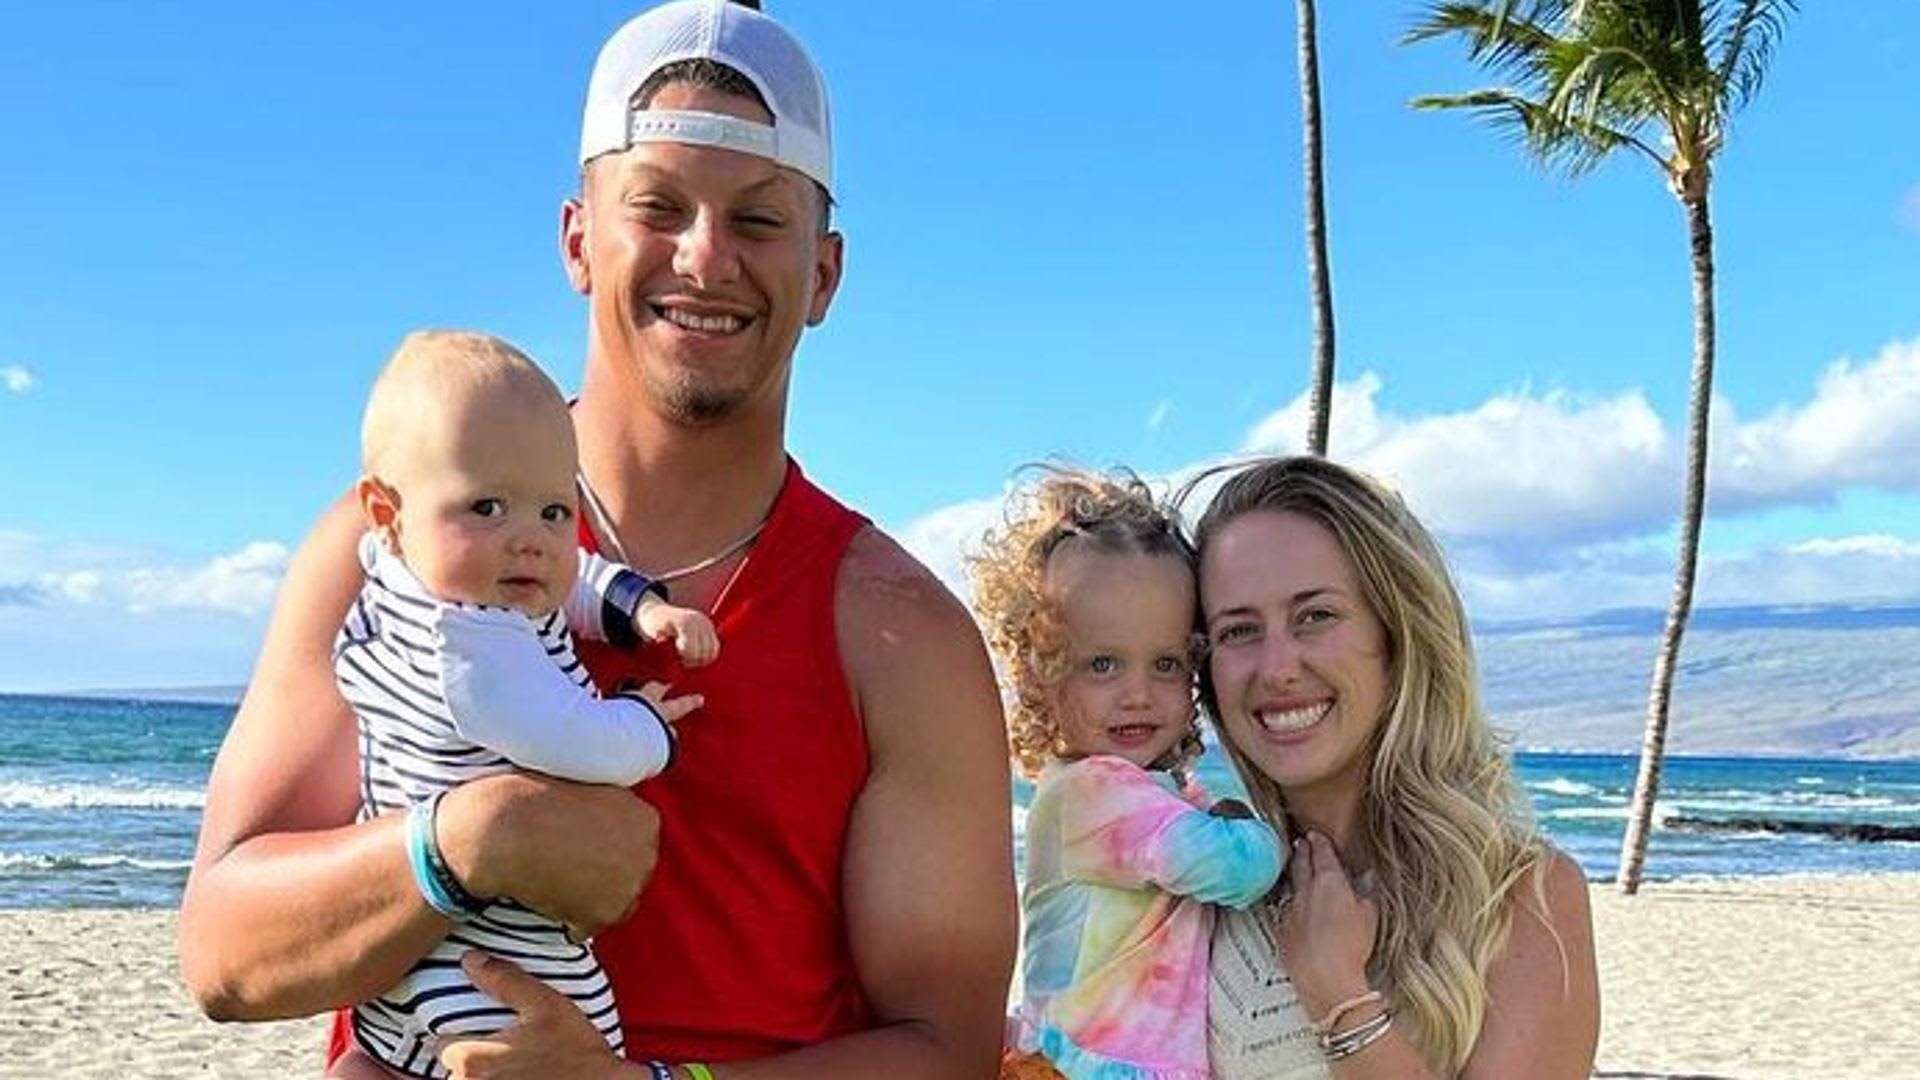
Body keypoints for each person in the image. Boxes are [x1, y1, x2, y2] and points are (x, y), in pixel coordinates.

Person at [178, 2, 1017, 1077]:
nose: (706, 257)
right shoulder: (385, 546)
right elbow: (223, 955)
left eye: (759, 221)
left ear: (825, 274)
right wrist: (467, 845)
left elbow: (943, 1054)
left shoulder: (901, 638)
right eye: (657, 206)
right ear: (579, 239)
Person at [333, 330, 715, 1078]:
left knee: (379, 1066)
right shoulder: (468, 647)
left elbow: (567, 584)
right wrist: (644, 724)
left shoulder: (417, 571)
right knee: (574, 1038)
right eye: (487, 505)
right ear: (386, 511)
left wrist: (635, 610)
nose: (531, 542)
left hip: (405, 953)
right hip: (489, 949)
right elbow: (567, 737)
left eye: (552, 510)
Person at [1191, 456, 1600, 1079]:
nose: (1275, 668)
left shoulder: (1520, 897)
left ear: (1398, 633)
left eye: (1315, 616)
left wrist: (1343, 1003)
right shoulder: (1203, 885)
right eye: (1238, 630)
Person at [969, 467, 1283, 1080]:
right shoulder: (1095, 794)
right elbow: (1241, 869)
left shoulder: (1122, 791)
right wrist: (1251, 821)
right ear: (1041, 673)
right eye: (1103, 664)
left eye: (1166, 664)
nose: (1138, 694)